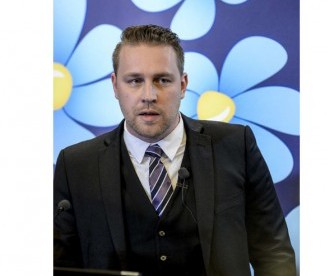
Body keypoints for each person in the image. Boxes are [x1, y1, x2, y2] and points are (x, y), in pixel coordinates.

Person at [54, 24, 296, 276]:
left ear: (182, 85)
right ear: (115, 86)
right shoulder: (76, 165)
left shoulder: (236, 145)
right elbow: (60, 264)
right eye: (135, 81)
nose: (149, 95)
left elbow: (273, 251)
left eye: (162, 80)